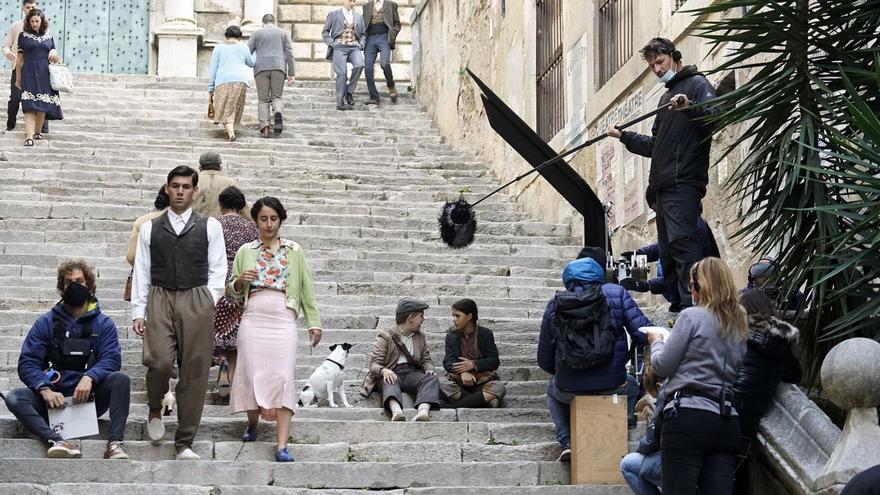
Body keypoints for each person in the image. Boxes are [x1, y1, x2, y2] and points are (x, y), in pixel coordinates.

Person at [608, 38, 719, 311]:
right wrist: (625, 137)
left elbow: (716, 116)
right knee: (668, 254)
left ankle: (695, 308)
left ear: (674, 56)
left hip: (683, 186)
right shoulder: (665, 97)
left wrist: (689, 107)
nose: (657, 69)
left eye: (660, 62)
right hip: (663, 191)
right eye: (652, 65)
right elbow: (656, 148)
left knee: (684, 249)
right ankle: (680, 306)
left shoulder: (697, 84)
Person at [131, 165, 227, 460]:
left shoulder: (210, 226)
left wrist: (208, 298)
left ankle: (184, 441)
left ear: (195, 190)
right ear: (167, 188)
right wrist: (139, 309)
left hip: (196, 296)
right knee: (158, 360)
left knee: (195, 370)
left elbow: (219, 266)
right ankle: (155, 407)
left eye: (186, 186)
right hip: (160, 296)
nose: (181, 191)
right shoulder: (150, 227)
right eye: (175, 186)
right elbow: (142, 270)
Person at [226, 196, 322, 462]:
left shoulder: (294, 250)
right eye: (263, 219)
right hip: (254, 315)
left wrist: (313, 322)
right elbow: (232, 294)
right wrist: (238, 283)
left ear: (281, 220)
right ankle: (253, 423)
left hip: (283, 316)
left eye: (273, 219)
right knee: (252, 372)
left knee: (282, 375)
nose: (268, 224)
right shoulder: (246, 250)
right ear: (255, 221)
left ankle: (281, 445)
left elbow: (306, 289)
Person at [2, 260, 130, 459]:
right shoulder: (45, 322)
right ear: (62, 287)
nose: (75, 285)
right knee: (14, 397)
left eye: (79, 280)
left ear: (89, 285)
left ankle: (114, 444)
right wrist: (44, 389)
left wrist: (90, 377)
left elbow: (112, 359)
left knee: (120, 379)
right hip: (53, 402)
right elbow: (27, 362)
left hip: (88, 400)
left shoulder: (104, 324)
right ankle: (56, 440)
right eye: (69, 282)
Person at [537, 247, 651, 461]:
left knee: (552, 388)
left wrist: (566, 372)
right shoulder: (616, 293)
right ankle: (620, 427)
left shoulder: (555, 304)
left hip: (570, 387)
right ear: (599, 274)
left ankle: (567, 440)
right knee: (633, 386)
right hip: (614, 384)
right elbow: (643, 334)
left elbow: (544, 360)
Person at [649, 256, 749, 495]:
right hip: (726, 421)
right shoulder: (739, 324)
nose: (690, 292)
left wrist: (656, 342)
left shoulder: (692, 316)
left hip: (688, 417)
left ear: (699, 286)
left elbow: (662, 366)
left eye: (691, 287)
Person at [732, 288, 802, 495]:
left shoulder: (736, 337)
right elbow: (796, 375)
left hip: (724, 419)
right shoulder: (780, 343)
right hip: (746, 429)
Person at [621, 185, 720, 303]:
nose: (659, 216)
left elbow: (686, 274)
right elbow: (668, 247)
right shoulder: (681, 221)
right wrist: (640, 255)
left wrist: (649, 285)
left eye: (657, 210)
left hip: (699, 299)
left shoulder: (688, 226)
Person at [359, 298, 441, 422]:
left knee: (431, 378)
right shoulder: (386, 335)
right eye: (421, 316)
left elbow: (426, 359)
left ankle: (423, 411)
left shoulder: (420, 336)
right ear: (411, 318)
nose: (423, 319)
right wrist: (384, 371)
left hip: (411, 373)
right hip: (392, 371)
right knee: (389, 379)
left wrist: (429, 368)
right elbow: (374, 364)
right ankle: (396, 411)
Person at [213, 186, 259, 398]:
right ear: (241, 205)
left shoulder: (214, 224)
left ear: (221, 204)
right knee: (235, 330)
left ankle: (220, 362)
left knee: (217, 327)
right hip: (241, 279)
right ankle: (232, 374)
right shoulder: (251, 228)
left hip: (216, 278)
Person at [438, 298, 507, 408]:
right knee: (442, 382)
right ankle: (482, 401)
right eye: (453, 316)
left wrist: (472, 364)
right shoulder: (451, 335)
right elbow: (448, 361)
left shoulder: (485, 334)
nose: (454, 319)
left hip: (482, 381)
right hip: (460, 382)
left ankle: (453, 406)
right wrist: (463, 372)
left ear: (469, 316)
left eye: (457, 316)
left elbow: (494, 361)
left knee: (499, 387)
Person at [14, 7, 61, 147]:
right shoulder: (23, 36)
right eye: (32, 21)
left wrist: (55, 56)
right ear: (28, 22)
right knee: (29, 106)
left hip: (45, 75)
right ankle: (29, 137)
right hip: (28, 73)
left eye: (37, 21)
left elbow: (55, 58)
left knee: (42, 106)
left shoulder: (49, 38)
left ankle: (37, 132)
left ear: (42, 22)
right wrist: (18, 79)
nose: (34, 24)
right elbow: (19, 60)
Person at [248, 14, 296, 138]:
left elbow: (247, 52)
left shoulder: (257, 34)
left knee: (263, 99)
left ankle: (264, 128)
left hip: (261, 69)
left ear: (263, 22)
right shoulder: (283, 33)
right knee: (277, 96)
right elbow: (290, 53)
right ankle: (278, 110)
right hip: (278, 68)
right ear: (274, 22)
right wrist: (292, 74)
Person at [3, 0, 47, 134]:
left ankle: (43, 130)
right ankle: (10, 125)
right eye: (28, 7)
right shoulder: (16, 26)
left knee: (41, 97)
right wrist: (8, 53)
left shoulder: (42, 27)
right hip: (19, 67)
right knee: (15, 98)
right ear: (23, 8)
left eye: (33, 7)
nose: (30, 9)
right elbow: (6, 45)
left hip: (38, 70)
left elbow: (48, 45)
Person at [208, 25, 256, 142]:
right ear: (240, 37)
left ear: (225, 36)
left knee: (223, 108)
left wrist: (211, 87)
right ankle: (231, 131)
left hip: (223, 81)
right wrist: (256, 52)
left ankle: (231, 133)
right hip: (240, 80)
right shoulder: (244, 47)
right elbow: (251, 63)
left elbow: (213, 69)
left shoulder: (218, 48)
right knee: (233, 107)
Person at [322, 0, 366, 111]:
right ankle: (340, 100)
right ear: (344, 1)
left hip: (354, 47)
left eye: (354, 1)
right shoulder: (334, 14)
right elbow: (325, 32)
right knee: (342, 73)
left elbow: (363, 34)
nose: (352, 3)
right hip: (339, 47)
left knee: (359, 65)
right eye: (350, 0)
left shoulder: (358, 16)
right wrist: (333, 43)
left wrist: (361, 45)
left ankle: (349, 91)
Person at [361, 0, 401, 105]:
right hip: (370, 39)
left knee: (385, 64)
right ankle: (374, 97)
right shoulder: (366, 6)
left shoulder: (391, 5)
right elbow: (363, 23)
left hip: (384, 37)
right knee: (368, 68)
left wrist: (392, 34)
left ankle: (391, 86)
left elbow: (397, 24)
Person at [191, 151, 249, 219]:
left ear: (200, 168)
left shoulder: (191, 182)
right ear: (220, 168)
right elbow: (244, 209)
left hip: (195, 226)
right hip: (222, 227)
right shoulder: (231, 183)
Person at [741, 255, 805, 312]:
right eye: (760, 281)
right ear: (753, 280)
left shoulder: (793, 295)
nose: (765, 286)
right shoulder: (743, 296)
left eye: (770, 281)